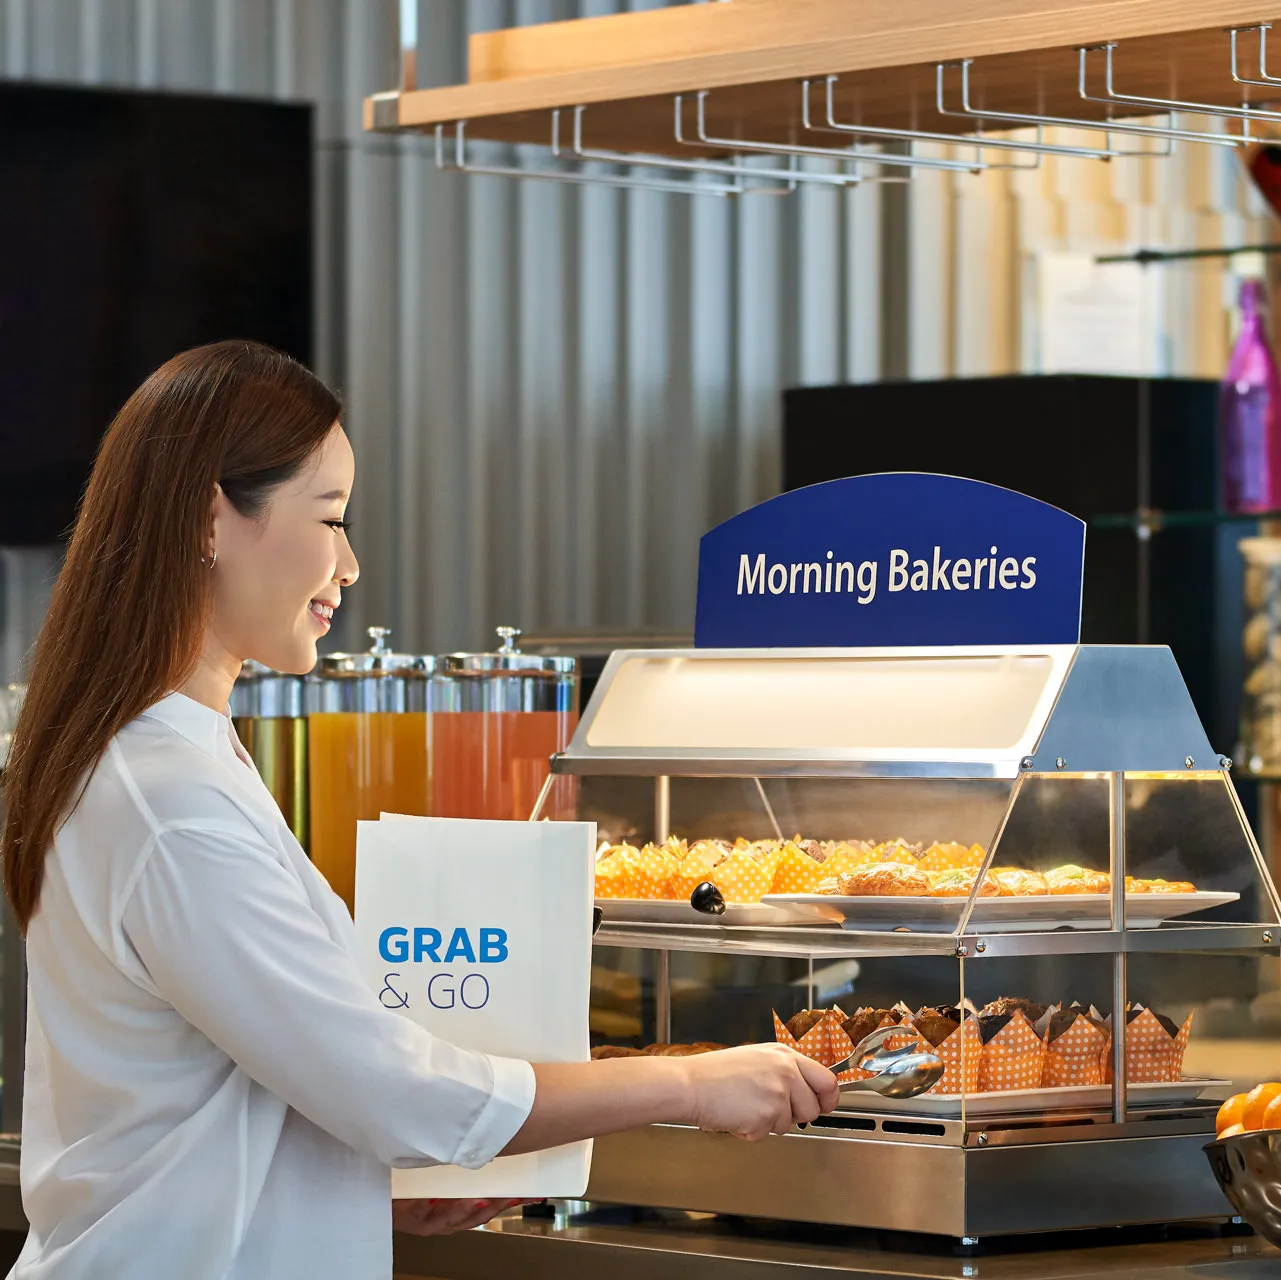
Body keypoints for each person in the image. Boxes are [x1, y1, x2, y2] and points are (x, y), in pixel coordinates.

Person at [0, 341, 839, 1278]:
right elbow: (392, 1092)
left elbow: (268, 1087)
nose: (349, 564)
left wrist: (381, 1180)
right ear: (211, 518)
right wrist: (688, 1081)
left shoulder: (171, 759)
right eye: (331, 519)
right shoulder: (170, 801)